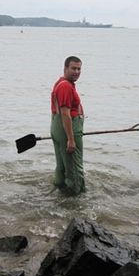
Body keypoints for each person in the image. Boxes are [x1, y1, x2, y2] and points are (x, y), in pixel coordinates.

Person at [50, 56, 85, 195]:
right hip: (67, 130)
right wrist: (71, 139)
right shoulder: (65, 86)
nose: (76, 71)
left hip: (57, 129)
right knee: (75, 168)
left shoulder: (62, 83)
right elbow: (65, 114)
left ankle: (59, 190)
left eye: (79, 69)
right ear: (65, 68)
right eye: (73, 68)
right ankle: (76, 198)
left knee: (62, 166)